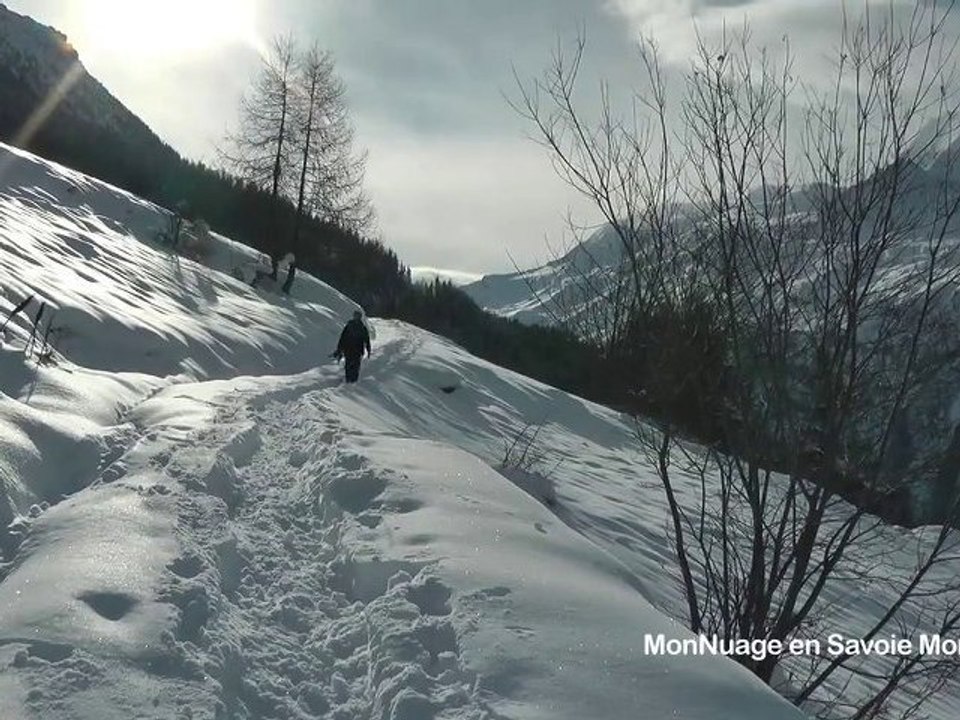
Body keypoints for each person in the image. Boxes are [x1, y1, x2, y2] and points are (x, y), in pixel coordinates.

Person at [333, 310, 371, 383]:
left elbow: (342, 338)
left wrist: (339, 349)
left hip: (351, 349)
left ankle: (350, 380)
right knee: (354, 366)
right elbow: (343, 338)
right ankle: (352, 381)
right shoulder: (361, 327)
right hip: (355, 350)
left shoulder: (352, 326)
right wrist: (368, 349)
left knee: (350, 365)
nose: (356, 317)